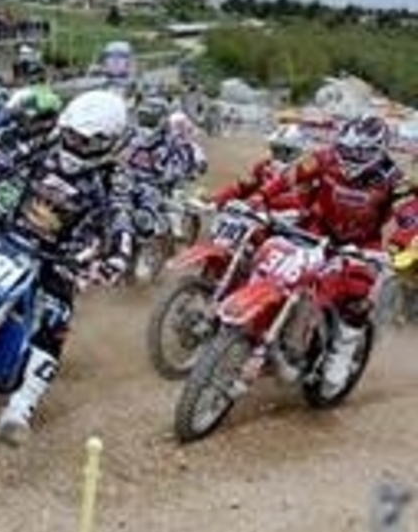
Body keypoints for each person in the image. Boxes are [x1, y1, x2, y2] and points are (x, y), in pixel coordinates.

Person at [0, 89, 137, 445]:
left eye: (84, 140)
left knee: (55, 320)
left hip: (62, 254)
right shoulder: (48, 144)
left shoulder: (113, 175)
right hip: (15, 232)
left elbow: (121, 215)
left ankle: (20, 408)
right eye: (71, 134)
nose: (73, 144)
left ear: (106, 143)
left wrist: (117, 256)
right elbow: (8, 161)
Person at [248, 115, 414, 387]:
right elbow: (289, 175)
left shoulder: (394, 179)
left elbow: (410, 216)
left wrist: (399, 245)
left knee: (357, 294)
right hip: (316, 229)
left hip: (361, 243)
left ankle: (341, 355)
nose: (349, 156)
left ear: (378, 150)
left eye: (359, 152)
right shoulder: (324, 158)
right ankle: (257, 322)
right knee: (273, 261)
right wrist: (261, 195)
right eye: (345, 148)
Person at [212, 123, 309, 209]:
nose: (275, 154)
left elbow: (298, 201)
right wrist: (220, 198)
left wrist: (261, 201)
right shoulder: (264, 166)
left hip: (285, 219)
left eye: (279, 150)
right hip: (259, 214)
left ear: (293, 152)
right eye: (274, 149)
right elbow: (244, 186)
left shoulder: (304, 172)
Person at [124, 98, 207, 191]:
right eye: (144, 117)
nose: (145, 123)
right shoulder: (133, 138)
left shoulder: (172, 144)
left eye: (150, 119)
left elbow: (183, 172)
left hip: (158, 188)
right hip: (132, 184)